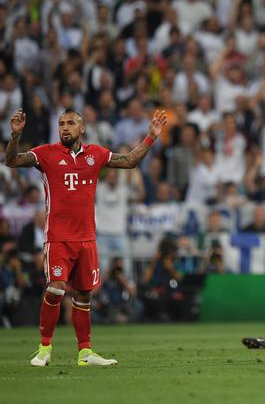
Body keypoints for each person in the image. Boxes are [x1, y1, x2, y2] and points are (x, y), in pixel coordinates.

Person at [5, 107, 167, 367]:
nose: (65, 128)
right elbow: (12, 161)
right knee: (56, 287)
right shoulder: (46, 154)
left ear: (82, 128)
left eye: (70, 123)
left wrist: (151, 136)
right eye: (61, 123)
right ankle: (44, 349)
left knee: (83, 296)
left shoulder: (96, 154)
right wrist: (15, 135)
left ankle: (85, 353)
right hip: (58, 238)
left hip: (87, 239)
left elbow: (129, 161)